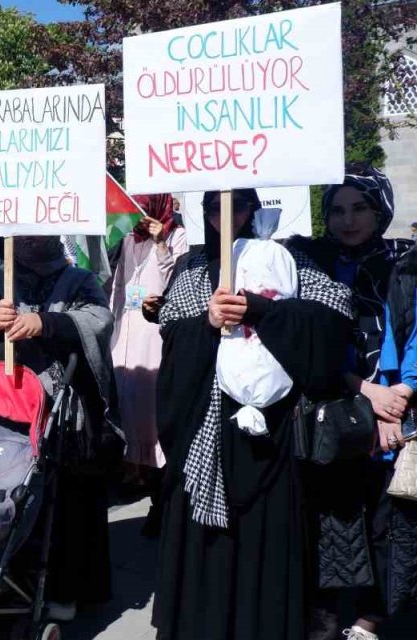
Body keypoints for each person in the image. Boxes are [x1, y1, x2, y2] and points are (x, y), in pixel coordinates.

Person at [152, 189, 353, 640]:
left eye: (240, 206)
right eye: (215, 208)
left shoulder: (290, 259)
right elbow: (173, 348)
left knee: (270, 551)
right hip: (210, 437)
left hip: (278, 436)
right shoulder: (193, 271)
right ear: (204, 215)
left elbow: (331, 322)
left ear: (255, 210)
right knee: (209, 556)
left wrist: (265, 310)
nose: (228, 216)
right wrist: (205, 322)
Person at [0, 235, 120, 616]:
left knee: (66, 499)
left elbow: (99, 319)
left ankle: (63, 587)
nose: (32, 240)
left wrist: (46, 323)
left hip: (63, 415)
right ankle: (1, 582)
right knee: (7, 491)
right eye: (25, 233)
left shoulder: (78, 279)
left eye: (40, 232)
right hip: (2, 411)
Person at [304, 166, 417, 639]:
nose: (347, 220)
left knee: (389, 520)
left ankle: (372, 618)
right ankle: (328, 615)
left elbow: (414, 337)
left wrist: (400, 398)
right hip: (337, 406)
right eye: (337, 210)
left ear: (381, 210)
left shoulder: (406, 263)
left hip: (399, 409)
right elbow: (312, 346)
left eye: (360, 208)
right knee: (335, 515)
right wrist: (366, 392)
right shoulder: (312, 265)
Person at [108, 194, 188, 491]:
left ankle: (155, 469)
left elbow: (176, 278)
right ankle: (132, 464)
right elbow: (119, 281)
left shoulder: (177, 236)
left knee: (148, 397)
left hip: (152, 328)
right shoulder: (127, 238)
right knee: (124, 394)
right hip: (125, 324)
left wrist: (161, 243)